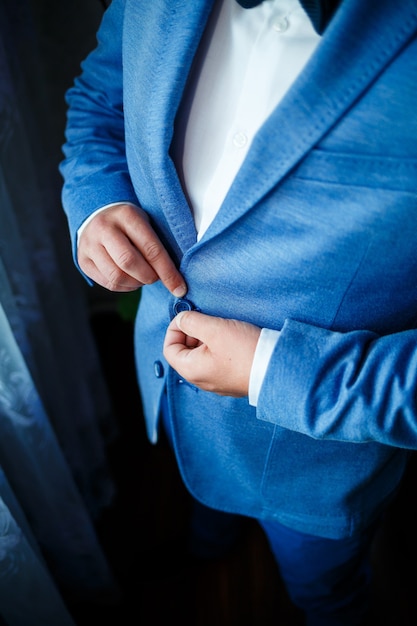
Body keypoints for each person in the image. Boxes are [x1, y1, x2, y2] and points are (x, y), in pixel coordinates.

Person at [59, 0, 417, 623]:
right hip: (169, 389)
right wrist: (96, 205)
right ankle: (209, 545)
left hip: (319, 457)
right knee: (201, 502)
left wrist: (269, 369)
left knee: (325, 595)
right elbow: (99, 95)